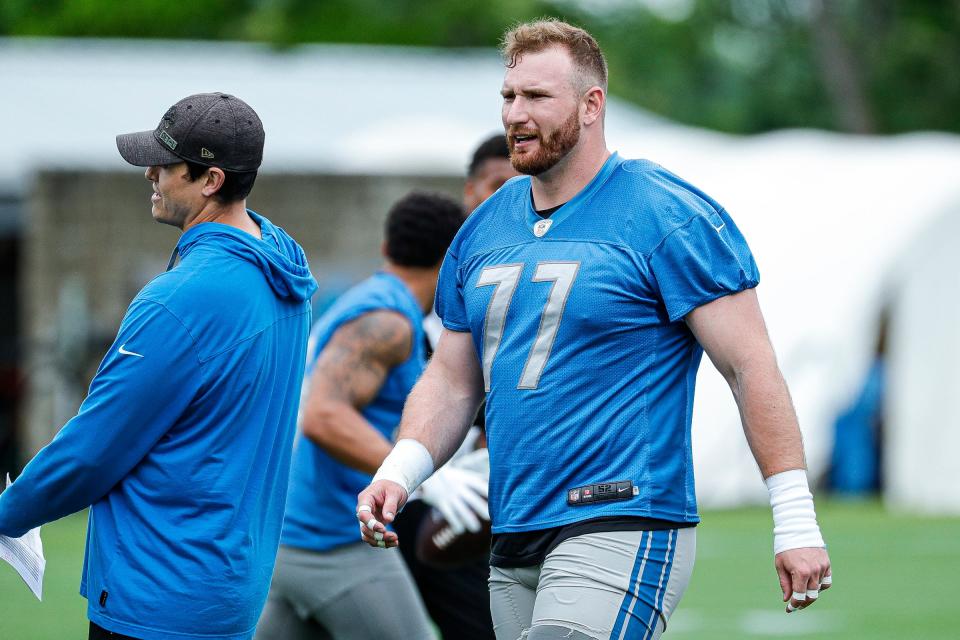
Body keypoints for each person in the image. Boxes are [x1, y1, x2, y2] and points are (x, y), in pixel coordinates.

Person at [357, 19, 832, 640]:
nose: (516, 115)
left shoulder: (666, 212)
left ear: (591, 105)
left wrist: (794, 516)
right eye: (509, 96)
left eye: (537, 98)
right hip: (516, 522)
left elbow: (750, 366)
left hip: (623, 515)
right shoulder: (483, 227)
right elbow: (451, 379)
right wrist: (400, 470)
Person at [0, 93, 317, 640]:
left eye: (165, 163)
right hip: (227, 585)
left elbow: (93, 448)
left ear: (211, 180)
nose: (150, 172)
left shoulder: (179, 299)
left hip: (159, 595)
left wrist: (8, 512)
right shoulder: (283, 269)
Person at [255, 191, 469, 640]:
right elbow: (323, 417)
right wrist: (418, 474)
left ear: (388, 248)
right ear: (456, 262)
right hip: (330, 540)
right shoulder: (388, 320)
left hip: (290, 534)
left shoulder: (373, 299)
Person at [393, 134, 518, 640]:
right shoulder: (431, 284)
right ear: (471, 191)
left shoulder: (534, 275)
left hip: (489, 495)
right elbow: (327, 413)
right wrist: (424, 475)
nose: (510, 196)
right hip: (418, 492)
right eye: (497, 186)